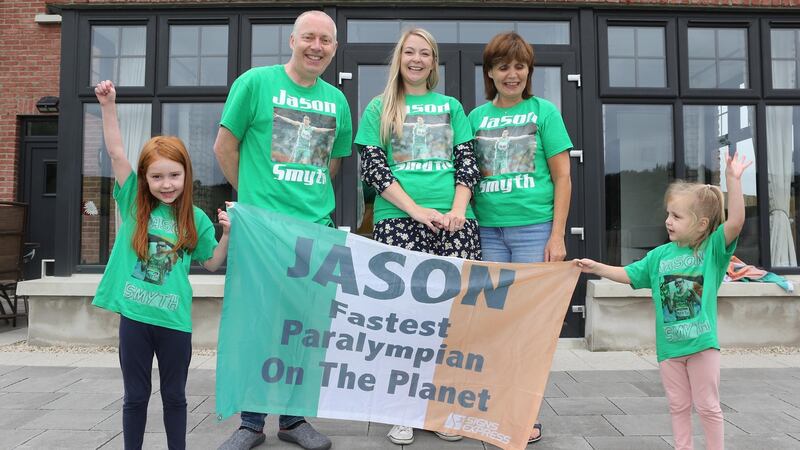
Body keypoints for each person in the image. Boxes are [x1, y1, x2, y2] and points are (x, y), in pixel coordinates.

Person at [213, 10, 352, 450]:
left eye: (325, 40)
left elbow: (332, 164)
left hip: (314, 232)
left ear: (334, 47)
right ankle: (251, 423)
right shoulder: (255, 83)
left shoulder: (337, 101)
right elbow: (224, 146)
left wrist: (302, 202)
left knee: (303, 329)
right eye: (309, 37)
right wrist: (255, 201)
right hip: (262, 233)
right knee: (258, 326)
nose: (316, 46)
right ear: (292, 40)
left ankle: (294, 420)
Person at [576, 152, 753, 450]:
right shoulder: (659, 256)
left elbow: (735, 221)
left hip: (702, 347)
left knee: (708, 406)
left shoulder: (711, 251)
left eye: (677, 216)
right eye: (668, 214)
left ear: (701, 224)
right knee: (678, 406)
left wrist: (734, 181)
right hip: (669, 349)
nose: (668, 221)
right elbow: (630, 275)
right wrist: (596, 267)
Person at [354, 28, 479, 445]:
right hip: (399, 221)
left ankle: (443, 410)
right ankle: (402, 411)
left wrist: (457, 211)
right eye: (409, 52)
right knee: (403, 321)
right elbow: (373, 168)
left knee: (453, 322)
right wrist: (417, 211)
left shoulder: (452, 107)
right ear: (399, 58)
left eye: (425, 53)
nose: (416, 59)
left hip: (454, 224)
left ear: (434, 61)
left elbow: (467, 164)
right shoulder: (380, 108)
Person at [92, 80, 231, 450]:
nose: (166, 184)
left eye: (173, 175)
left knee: (175, 397)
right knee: (135, 397)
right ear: (145, 179)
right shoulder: (134, 204)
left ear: (187, 175)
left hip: (174, 322)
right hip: (135, 320)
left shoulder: (196, 219)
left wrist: (227, 235)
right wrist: (108, 106)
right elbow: (116, 152)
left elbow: (214, 263)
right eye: (156, 177)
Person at [467, 31, 574, 444]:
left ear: (528, 71)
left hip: (533, 231)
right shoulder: (475, 118)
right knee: (494, 325)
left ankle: (524, 415)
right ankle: (496, 409)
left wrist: (557, 234)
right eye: (502, 66)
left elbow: (563, 176)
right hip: (488, 231)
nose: (511, 74)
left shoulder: (544, 111)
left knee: (529, 329)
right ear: (490, 72)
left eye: (519, 66)